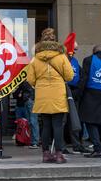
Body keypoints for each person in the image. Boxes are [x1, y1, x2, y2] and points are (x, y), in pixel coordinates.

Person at [27, 28, 74, 164]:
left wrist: (39, 83)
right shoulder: (61, 56)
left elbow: (30, 79)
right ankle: (59, 154)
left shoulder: (36, 58)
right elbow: (69, 76)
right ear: (54, 41)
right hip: (58, 93)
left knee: (46, 125)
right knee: (58, 126)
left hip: (42, 94)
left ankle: (46, 154)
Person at [62, 33, 91, 155]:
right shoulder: (62, 59)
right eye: (74, 49)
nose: (75, 52)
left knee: (74, 119)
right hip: (63, 92)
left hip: (74, 93)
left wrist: (78, 90)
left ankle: (76, 144)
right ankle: (61, 145)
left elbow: (81, 75)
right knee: (62, 121)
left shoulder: (74, 60)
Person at [13, 81, 40, 149]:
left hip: (29, 99)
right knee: (31, 122)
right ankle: (33, 141)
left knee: (32, 121)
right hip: (29, 99)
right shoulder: (30, 78)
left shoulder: (28, 79)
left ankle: (34, 141)